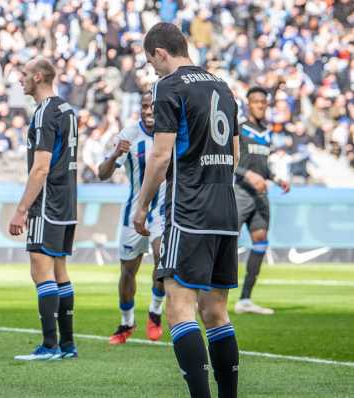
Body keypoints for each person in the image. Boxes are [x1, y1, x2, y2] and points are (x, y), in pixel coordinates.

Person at [134, 23, 240, 397]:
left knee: (180, 309)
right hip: (225, 209)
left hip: (189, 208)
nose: (154, 72)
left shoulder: (168, 86)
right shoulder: (223, 86)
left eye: (152, 63)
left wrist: (142, 204)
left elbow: (161, 156)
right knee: (216, 312)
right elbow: (235, 155)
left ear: (161, 53)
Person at [9, 57, 79, 361]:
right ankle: (67, 345)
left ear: (38, 77)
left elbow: (40, 168)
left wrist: (22, 209)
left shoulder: (44, 113)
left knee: (41, 270)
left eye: (24, 74)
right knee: (60, 270)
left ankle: (49, 345)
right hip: (67, 202)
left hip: (47, 202)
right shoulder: (67, 109)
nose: (20, 80)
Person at [98, 91, 166, 344]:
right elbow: (102, 173)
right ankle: (127, 322)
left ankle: (155, 311)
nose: (149, 112)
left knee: (163, 258)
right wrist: (115, 155)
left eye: (154, 107)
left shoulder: (172, 134)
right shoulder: (128, 135)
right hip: (133, 213)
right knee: (128, 272)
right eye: (145, 107)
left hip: (162, 212)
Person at [233, 87, 290, 315]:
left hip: (260, 196)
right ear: (248, 104)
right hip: (240, 193)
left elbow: (263, 166)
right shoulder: (240, 129)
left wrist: (276, 178)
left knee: (261, 240)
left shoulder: (267, 133)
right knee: (225, 244)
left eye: (263, 102)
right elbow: (230, 160)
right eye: (256, 102)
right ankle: (207, 295)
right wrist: (248, 175)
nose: (260, 105)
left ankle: (245, 299)